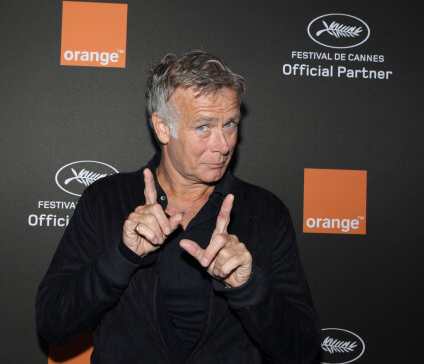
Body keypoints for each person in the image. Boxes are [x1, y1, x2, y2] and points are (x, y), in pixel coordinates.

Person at [36, 50, 320, 363]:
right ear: (162, 128)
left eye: (230, 124)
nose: (223, 144)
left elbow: (302, 349)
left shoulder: (265, 213)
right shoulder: (105, 201)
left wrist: (248, 287)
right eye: (203, 127)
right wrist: (121, 257)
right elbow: (53, 323)